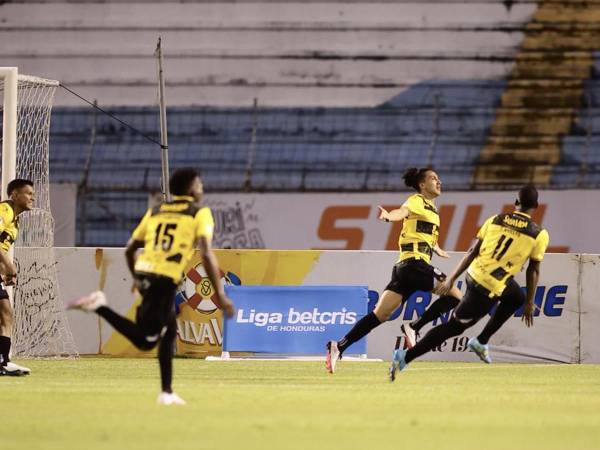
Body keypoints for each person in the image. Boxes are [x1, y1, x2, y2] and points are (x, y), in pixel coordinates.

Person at [68, 168, 235, 404]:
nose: (202, 188)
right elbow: (206, 254)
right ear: (190, 189)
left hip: (148, 272)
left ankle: (167, 392)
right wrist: (220, 295)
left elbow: (130, 249)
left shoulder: (155, 211)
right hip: (165, 278)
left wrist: (137, 277)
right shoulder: (200, 213)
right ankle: (99, 306)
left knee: (168, 332)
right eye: (199, 184)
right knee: (146, 340)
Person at [389, 185, 549, 380]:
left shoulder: (495, 219)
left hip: (474, 274)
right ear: (536, 206)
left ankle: (481, 340)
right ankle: (405, 356)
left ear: (516, 203)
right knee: (454, 327)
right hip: (487, 286)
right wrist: (531, 302)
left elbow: (472, 252)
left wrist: (453, 277)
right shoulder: (539, 234)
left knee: (516, 297)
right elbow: (533, 269)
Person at [325, 167, 462, 373]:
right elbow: (402, 212)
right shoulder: (416, 201)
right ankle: (414, 328)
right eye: (433, 178)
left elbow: (424, 234)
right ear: (422, 185)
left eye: (438, 178)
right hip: (415, 265)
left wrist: (437, 248)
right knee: (455, 295)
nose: (439, 181)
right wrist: (389, 216)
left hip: (403, 269)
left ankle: (339, 346)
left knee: (380, 314)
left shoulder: (432, 210)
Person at [0, 179, 35, 376]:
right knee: (5, 313)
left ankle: (3, 361)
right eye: (28, 193)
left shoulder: (16, 220)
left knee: (6, 314)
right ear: (14, 195)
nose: (33, 197)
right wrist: (9, 265)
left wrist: (3, 271)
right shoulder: (4, 210)